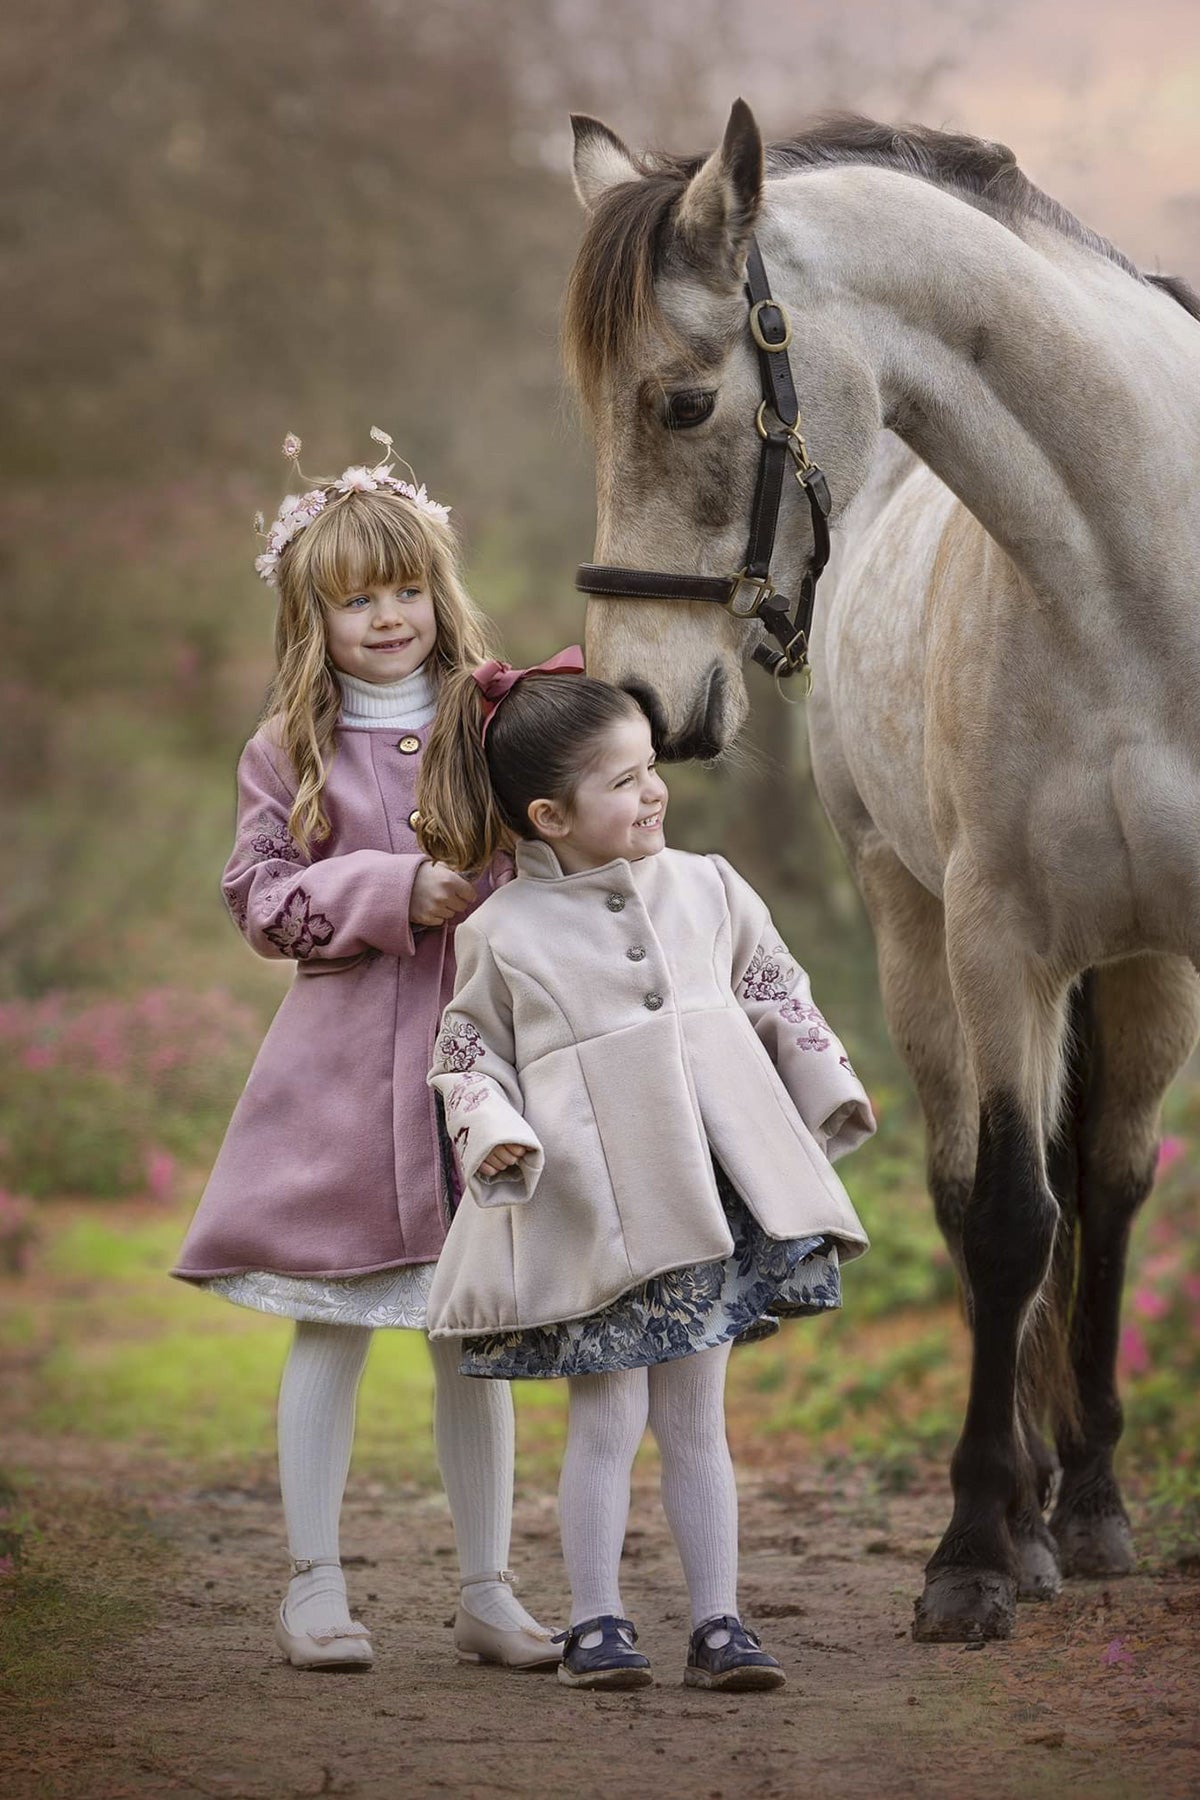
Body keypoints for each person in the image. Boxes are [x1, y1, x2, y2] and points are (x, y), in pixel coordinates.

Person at [172, 433, 558, 1674]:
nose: (387, 617)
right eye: (355, 600)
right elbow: (259, 899)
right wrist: (396, 890)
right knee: (330, 1321)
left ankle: (489, 1588)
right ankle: (312, 1585)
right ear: (314, 617)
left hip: (476, 1071)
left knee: (472, 1330)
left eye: (404, 589)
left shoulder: (494, 717)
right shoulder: (285, 748)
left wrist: (493, 883)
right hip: (340, 1082)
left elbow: (556, 850)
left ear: (435, 589)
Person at [415, 652, 874, 1691]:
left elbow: (772, 985)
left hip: (708, 1193)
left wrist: (822, 1085)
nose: (653, 788)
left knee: (696, 1419)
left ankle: (720, 1625)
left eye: (650, 764)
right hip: (597, 1206)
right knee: (608, 1416)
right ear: (550, 816)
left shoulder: (710, 887)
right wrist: (494, 1132)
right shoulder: (502, 931)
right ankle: (597, 1623)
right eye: (621, 781)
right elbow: (465, 1053)